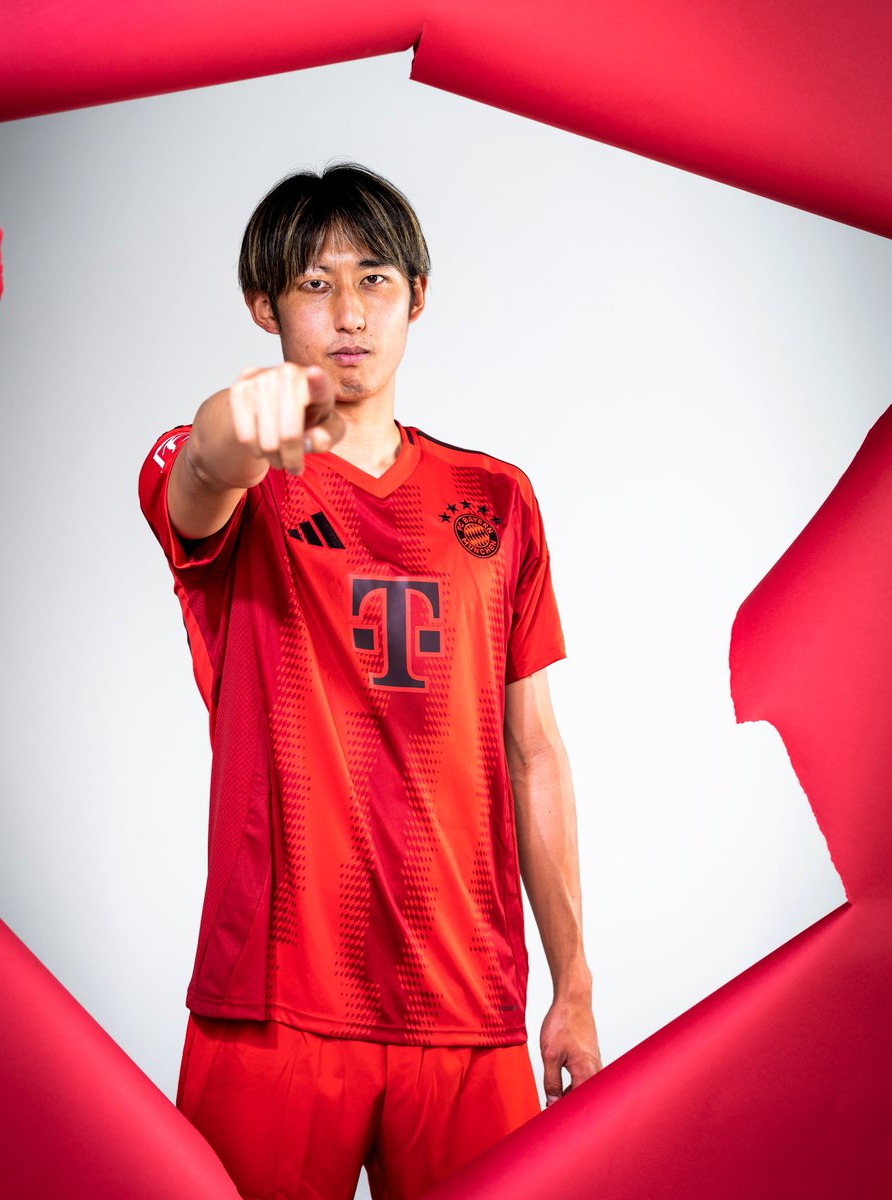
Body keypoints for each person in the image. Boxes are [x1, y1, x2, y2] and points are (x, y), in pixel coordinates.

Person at [139, 162, 600, 1200]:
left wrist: (572, 980)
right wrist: (241, 425)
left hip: (467, 1002)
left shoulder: (498, 499)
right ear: (263, 305)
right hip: (275, 1004)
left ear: (416, 296)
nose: (348, 312)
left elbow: (535, 752)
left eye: (374, 279)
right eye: (313, 284)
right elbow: (200, 472)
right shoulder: (244, 484)